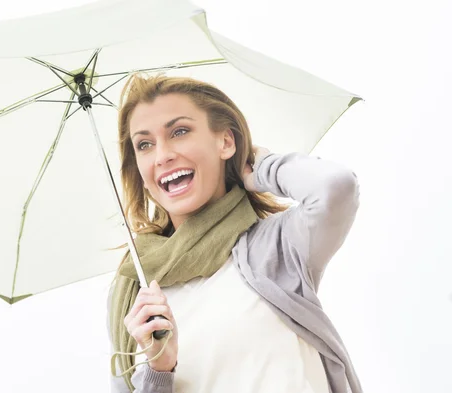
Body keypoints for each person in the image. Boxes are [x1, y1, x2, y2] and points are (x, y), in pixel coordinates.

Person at [107, 74, 362, 393]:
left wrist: (259, 168)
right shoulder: (134, 291)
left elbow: (335, 187)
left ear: (225, 142)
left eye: (180, 131)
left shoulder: (277, 246)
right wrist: (160, 368)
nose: (162, 155)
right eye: (145, 144)